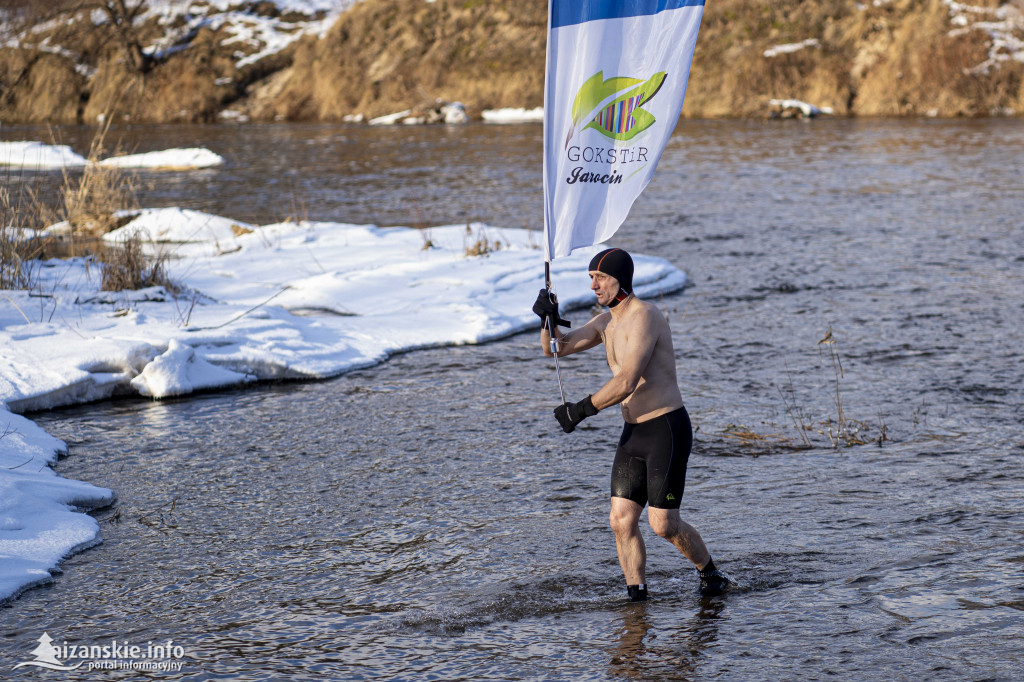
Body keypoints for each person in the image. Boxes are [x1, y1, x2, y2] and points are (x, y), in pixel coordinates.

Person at [533, 247, 731, 601]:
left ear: (620, 279)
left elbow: (626, 380)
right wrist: (547, 320)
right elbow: (555, 350)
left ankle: (711, 573)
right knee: (621, 519)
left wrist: (580, 411)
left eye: (601, 278)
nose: (594, 286)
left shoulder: (646, 316)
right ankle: (636, 598)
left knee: (662, 524)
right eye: (591, 278)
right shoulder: (605, 322)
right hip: (633, 432)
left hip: (665, 428)